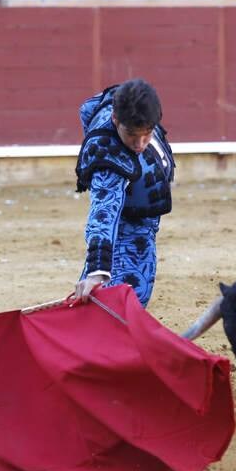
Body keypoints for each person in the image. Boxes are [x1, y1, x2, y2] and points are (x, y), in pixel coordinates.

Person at [71, 79, 175, 308]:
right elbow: (103, 212)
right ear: (115, 120)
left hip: (140, 224)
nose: (140, 144)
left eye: (147, 134)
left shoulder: (131, 107)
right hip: (125, 230)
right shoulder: (108, 156)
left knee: (120, 302)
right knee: (123, 301)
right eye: (131, 135)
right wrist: (98, 270)